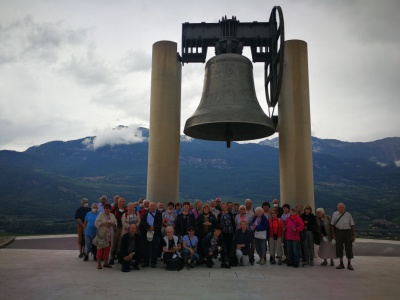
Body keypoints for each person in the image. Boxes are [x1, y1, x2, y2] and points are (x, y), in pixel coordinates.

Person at [331, 203, 355, 270]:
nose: (341, 208)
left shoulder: (348, 215)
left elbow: (352, 225)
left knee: (349, 247)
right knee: (339, 248)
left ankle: (349, 264)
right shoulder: (334, 214)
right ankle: (341, 263)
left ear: (344, 208)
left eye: (342, 207)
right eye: (340, 207)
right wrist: (333, 234)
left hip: (347, 232)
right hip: (338, 232)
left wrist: (353, 235)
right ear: (337, 208)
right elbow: (332, 225)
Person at [140, 201, 162, 268]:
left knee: (154, 248)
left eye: (153, 205)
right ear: (149, 206)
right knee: (146, 248)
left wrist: (153, 228)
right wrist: (148, 227)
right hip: (146, 232)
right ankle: (146, 262)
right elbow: (143, 222)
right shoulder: (145, 214)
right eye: (151, 205)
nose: (152, 207)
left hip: (155, 233)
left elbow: (159, 222)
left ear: (155, 207)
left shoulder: (158, 214)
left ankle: (153, 262)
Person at [94, 204, 117, 269]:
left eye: (108, 208)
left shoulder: (112, 215)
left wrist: (112, 224)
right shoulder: (101, 215)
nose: (107, 209)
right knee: (100, 249)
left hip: (109, 235)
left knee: (107, 249)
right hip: (102, 235)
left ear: (110, 209)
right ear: (104, 209)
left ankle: (106, 263)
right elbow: (96, 223)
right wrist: (103, 224)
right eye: (106, 208)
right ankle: (99, 264)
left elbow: (116, 223)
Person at [109, 197, 127, 265]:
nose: (121, 202)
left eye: (123, 201)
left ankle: (119, 256)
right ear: (117, 202)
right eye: (120, 201)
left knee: (120, 243)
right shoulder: (113, 209)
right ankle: (111, 257)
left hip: (123, 228)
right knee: (113, 243)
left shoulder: (126, 210)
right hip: (115, 228)